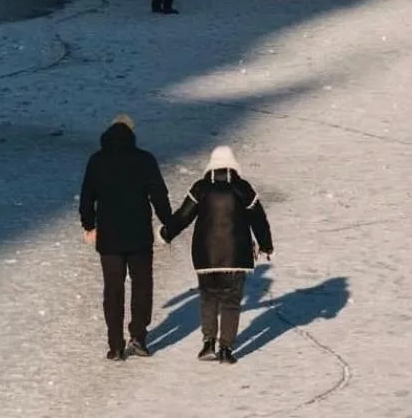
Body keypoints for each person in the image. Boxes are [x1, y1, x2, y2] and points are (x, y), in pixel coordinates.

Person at [161, 145, 274, 365]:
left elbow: (184, 215)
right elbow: (259, 219)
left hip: (206, 257)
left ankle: (208, 344)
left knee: (209, 298)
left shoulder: (201, 188)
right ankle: (226, 348)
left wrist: (166, 233)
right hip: (237, 257)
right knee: (231, 302)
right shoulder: (243, 189)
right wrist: (266, 245)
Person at [79, 114, 173, 360]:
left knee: (113, 290)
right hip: (139, 235)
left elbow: (87, 195)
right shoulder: (144, 160)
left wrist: (89, 224)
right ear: (132, 135)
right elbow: (158, 195)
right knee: (142, 286)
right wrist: (168, 223)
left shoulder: (97, 161)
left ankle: (115, 345)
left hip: (109, 238)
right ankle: (139, 336)